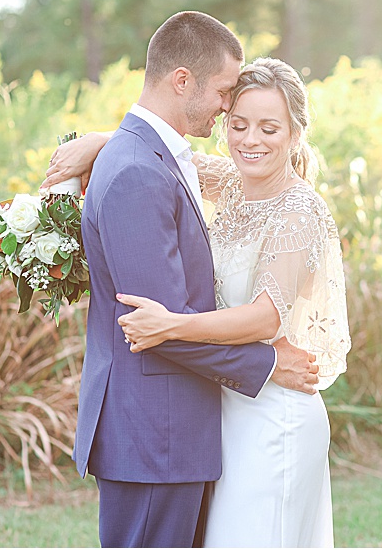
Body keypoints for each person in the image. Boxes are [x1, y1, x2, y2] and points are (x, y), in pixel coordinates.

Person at [45, 56, 351, 547]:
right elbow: (162, 154)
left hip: (275, 416)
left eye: (270, 128)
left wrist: (170, 325)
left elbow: (265, 316)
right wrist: (100, 141)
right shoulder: (232, 183)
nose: (251, 140)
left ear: (295, 133)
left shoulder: (298, 208)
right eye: (239, 125)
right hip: (225, 408)